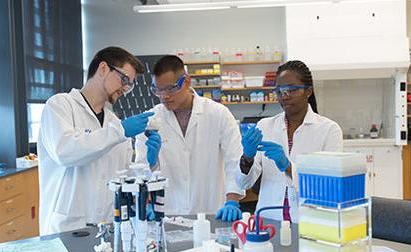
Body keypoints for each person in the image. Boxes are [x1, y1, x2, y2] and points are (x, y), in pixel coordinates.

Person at [37, 46, 152, 235]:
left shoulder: (114, 122)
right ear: (103, 69)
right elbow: (65, 152)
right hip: (68, 226)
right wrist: (120, 131)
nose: (125, 88)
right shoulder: (60, 105)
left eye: (129, 85)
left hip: (106, 226)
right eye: (124, 79)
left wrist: (148, 161)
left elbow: (122, 176)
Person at [134, 55, 245, 221]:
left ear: (186, 82)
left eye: (170, 89)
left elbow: (234, 160)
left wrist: (232, 201)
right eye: (158, 90)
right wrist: (147, 198)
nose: (164, 96)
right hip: (166, 213)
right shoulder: (149, 120)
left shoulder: (218, 114)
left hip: (211, 210)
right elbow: (140, 169)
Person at [237, 60, 343, 222]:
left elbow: (330, 185)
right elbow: (244, 183)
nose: (284, 96)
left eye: (291, 90)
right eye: (279, 91)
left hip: (310, 220)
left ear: (308, 91)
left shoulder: (329, 130)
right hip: (269, 218)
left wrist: (288, 167)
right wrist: (247, 158)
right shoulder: (265, 126)